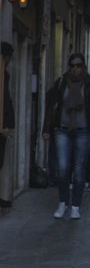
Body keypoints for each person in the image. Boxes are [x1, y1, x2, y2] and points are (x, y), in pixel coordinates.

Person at [43, 52, 90, 219]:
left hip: (83, 131)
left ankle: (76, 206)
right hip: (62, 130)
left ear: (83, 66)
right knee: (62, 169)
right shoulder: (62, 83)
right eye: (72, 65)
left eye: (78, 65)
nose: (75, 69)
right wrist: (46, 128)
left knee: (79, 170)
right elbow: (51, 106)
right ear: (69, 67)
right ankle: (63, 203)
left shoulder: (88, 83)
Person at [0, 42, 16, 209]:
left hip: (3, 123)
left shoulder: (4, 74)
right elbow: (1, 100)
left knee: (1, 160)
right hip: (1, 125)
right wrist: (2, 125)